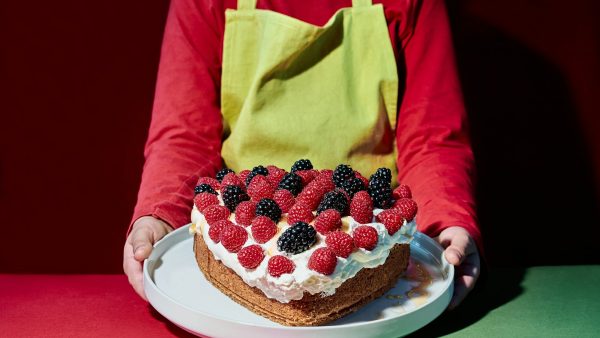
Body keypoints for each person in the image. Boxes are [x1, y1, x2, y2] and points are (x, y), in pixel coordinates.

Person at [123, 0, 482, 311]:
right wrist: (160, 214)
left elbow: (432, 135)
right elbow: (185, 135)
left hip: (367, 227)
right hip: (248, 231)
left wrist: (446, 221)